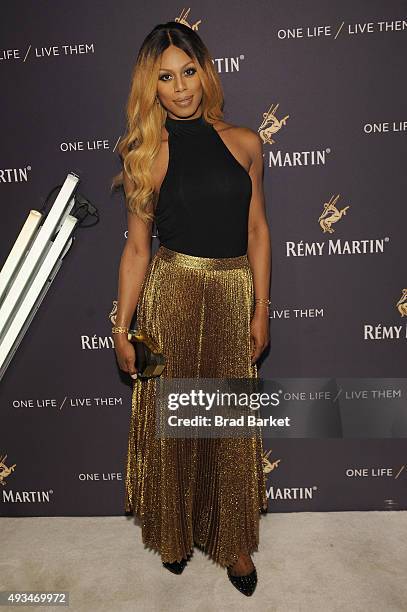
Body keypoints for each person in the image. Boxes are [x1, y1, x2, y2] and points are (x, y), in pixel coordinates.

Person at [111, 21, 271, 597]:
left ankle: (234, 544)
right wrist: (122, 326)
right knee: (173, 425)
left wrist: (260, 308)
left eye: (188, 72)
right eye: (166, 77)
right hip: (170, 294)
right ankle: (174, 534)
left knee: (228, 423)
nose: (181, 88)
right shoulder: (144, 154)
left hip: (231, 295)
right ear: (149, 86)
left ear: (205, 71)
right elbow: (135, 250)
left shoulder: (246, 142)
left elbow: (257, 229)